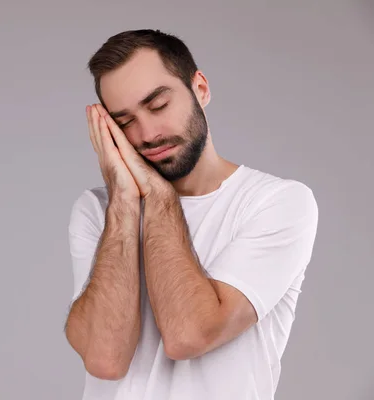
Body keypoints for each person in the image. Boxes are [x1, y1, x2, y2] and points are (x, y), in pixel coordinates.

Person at [64, 29, 319, 400]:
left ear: (199, 88)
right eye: (124, 122)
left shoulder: (278, 203)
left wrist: (157, 193)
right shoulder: (99, 210)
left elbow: (188, 335)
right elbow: (106, 359)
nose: (147, 134)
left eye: (157, 106)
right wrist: (123, 199)